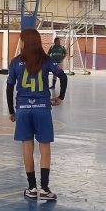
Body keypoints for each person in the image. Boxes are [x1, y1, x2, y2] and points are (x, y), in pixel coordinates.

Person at [8, 29, 67, 201]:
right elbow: (63, 77)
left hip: (23, 109)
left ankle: (32, 187)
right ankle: (45, 189)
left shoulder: (15, 62)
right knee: (45, 147)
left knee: (27, 146)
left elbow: (9, 87)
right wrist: (60, 97)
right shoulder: (47, 61)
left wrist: (12, 110)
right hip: (42, 108)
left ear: (25, 42)